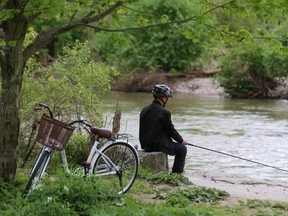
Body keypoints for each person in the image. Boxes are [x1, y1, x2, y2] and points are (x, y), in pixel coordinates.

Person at [139, 84, 188, 174]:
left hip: (145, 144)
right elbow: (171, 130)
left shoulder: (144, 109)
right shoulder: (164, 112)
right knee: (182, 149)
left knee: (177, 147)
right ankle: (176, 175)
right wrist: (181, 141)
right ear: (163, 98)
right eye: (167, 98)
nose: (167, 100)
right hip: (157, 145)